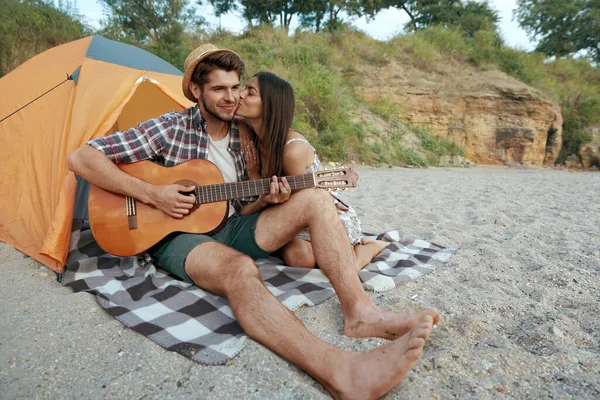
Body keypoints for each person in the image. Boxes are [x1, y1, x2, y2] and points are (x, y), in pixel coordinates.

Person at [67, 43, 440, 399]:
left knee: (315, 197)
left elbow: (242, 202)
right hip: (176, 234)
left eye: (235, 88)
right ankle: (341, 372)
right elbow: (82, 158)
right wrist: (153, 194)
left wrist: (265, 199)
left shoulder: (243, 133)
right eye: (218, 89)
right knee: (240, 270)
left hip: (232, 224)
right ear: (195, 90)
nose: (230, 98)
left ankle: (360, 313)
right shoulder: (169, 128)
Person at [236, 71, 389, 270]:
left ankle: (368, 248)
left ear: (270, 105)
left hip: (320, 214)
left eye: (250, 92)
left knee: (302, 260)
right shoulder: (251, 134)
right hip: (282, 213)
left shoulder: (292, 151)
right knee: (297, 255)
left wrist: (259, 185)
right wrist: (255, 174)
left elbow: (302, 206)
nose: (239, 94)